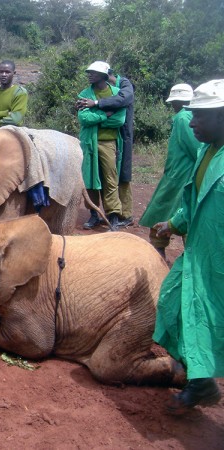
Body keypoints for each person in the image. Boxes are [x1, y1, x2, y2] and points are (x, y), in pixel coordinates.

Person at [152, 79, 224, 415]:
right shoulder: (206, 152)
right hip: (198, 253)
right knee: (173, 302)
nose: (190, 122)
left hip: (219, 258)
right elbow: (192, 201)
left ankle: (199, 383)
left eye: (201, 117)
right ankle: (201, 380)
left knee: (211, 318)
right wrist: (173, 224)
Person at [138, 83, 200, 259]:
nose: (172, 105)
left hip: (181, 176)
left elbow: (197, 150)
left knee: (164, 209)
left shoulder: (183, 118)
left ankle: (161, 256)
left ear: (179, 101)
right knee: (171, 210)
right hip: (178, 173)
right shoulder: (187, 116)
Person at [76, 61, 127, 230]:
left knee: (110, 179)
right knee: (89, 179)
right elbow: (84, 119)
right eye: (88, 72)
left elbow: (119, 120)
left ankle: (113, 216)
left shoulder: (117, 94)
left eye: (93, 72)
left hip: (109, 143)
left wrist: (96, 116)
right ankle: (93, 214)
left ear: (104, 76)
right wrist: (105, 115)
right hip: (89, 142)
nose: (89, 75)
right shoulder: (85, 94)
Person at [98, 68, 135, 227]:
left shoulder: (125, 84)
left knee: (123, 175)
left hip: (123, 136)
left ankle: (126, 215)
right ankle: (113, 212)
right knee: (109, 175)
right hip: (112, 137)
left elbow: (123, 99)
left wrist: (98, 104)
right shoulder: (108, 88)